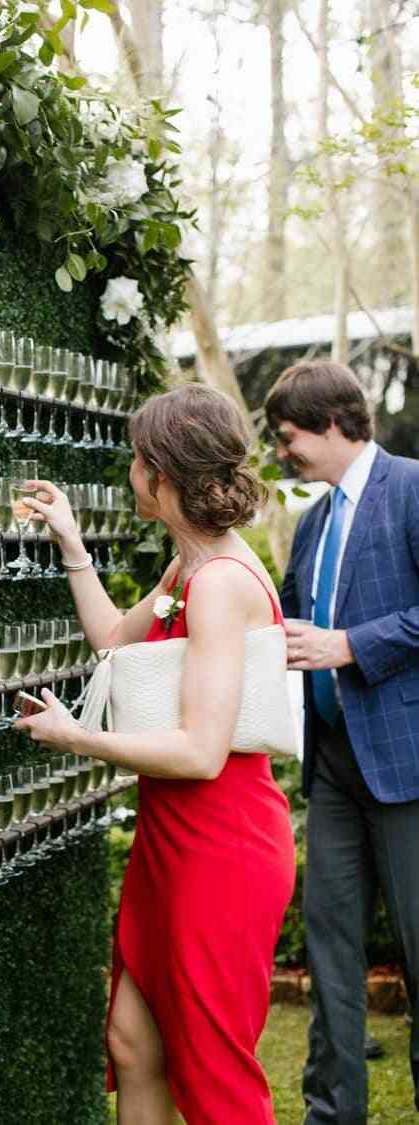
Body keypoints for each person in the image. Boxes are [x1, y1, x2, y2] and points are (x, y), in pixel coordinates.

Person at [16, 383, 296, 1125]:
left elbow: (204, 751)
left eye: (136, 459)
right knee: (135, 1042)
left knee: (214, 1074)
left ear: (161, 474)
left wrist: (78, 737)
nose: (129, 472)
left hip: (222, 847)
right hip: (170, 839)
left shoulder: (221, 584)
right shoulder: (187, 568)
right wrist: (73, 544)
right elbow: (113, 639)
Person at [265, 360, 419, 1124]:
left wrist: (348, 645)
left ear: (329, 424)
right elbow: (283, 622)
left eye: (288, 438)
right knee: (330, 963)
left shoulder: (414, 488)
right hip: (330, 774)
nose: (283, 453)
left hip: (408, 769)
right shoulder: (313, 520)